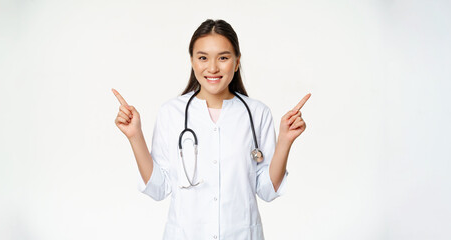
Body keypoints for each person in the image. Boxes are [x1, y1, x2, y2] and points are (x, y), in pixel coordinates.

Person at [112, 19, 311, 240]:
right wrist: (135, 136)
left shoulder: (257, 113)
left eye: (223, 58)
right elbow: (159, 188)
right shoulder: (171, 112)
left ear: (236, 62)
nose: (213, 67)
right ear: (192, 61)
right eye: (203, 58)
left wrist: (285, 140)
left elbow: (266, 190)